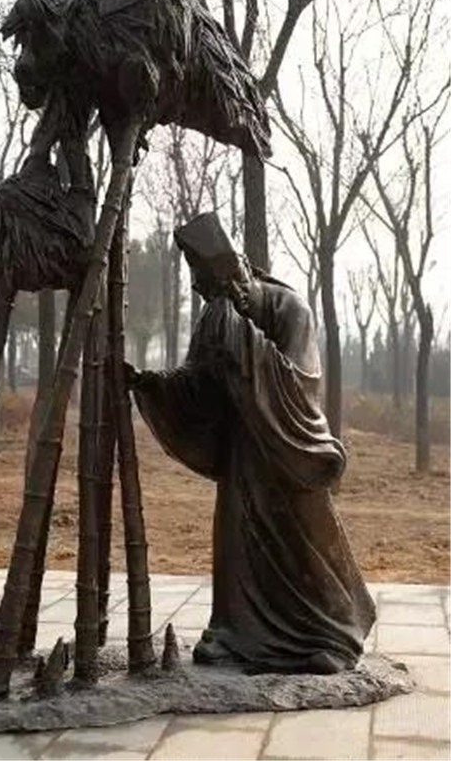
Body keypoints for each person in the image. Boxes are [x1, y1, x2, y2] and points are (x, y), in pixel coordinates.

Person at [128, 212, 375, 674]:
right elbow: (198, 382)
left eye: (212, 280)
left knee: (303, 544)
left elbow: (301, 382)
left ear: (236, 269)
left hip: (287, 450)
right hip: (242, 455)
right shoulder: (215, 316)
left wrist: (241, 340)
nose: (206, 291)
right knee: (238, 545)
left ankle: (332, 636)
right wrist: (153, 384)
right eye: (202, 285)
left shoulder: (290, 309)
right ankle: (233, 634)